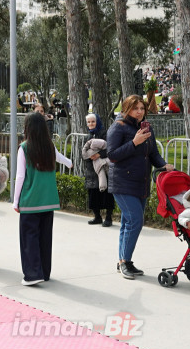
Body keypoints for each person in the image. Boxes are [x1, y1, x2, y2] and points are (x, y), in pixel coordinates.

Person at [106, 95, 173, 280]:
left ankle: (122, 261)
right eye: (135, 108)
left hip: (141, 183)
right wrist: (134, 143)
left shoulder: (146, 127)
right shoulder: (118, 127)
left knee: (129, 222)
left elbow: (153, 153)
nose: (139, 112)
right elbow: (112, 155)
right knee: (135, 220)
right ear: (127, 109)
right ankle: (125, 262)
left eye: (142, 108)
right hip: (122, 183)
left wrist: (163, 164)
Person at [13, 112, 72, 285]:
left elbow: (20, 177)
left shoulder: (24, 147)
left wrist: (16, 201)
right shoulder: (49, 146)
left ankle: (32, 274)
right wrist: (69, 163)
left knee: (29, 237)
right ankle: (44, 272)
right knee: (45, 238)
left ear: (27, 127)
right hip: (49, 200)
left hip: (31, 200)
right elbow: (59, 157)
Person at [82, 113, 115, 227]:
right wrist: (89, 156)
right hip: (91, 169)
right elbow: (84, 151)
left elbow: (110, 148)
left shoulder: (104, 133)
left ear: (97, 122)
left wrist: (99, 154)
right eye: (89, 122)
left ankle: (109, 217)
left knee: (107, 193)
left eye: (93, 121)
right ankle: (97, 217)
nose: (91, 124)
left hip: (104, 167)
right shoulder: (88, 136)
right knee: (93, 192)